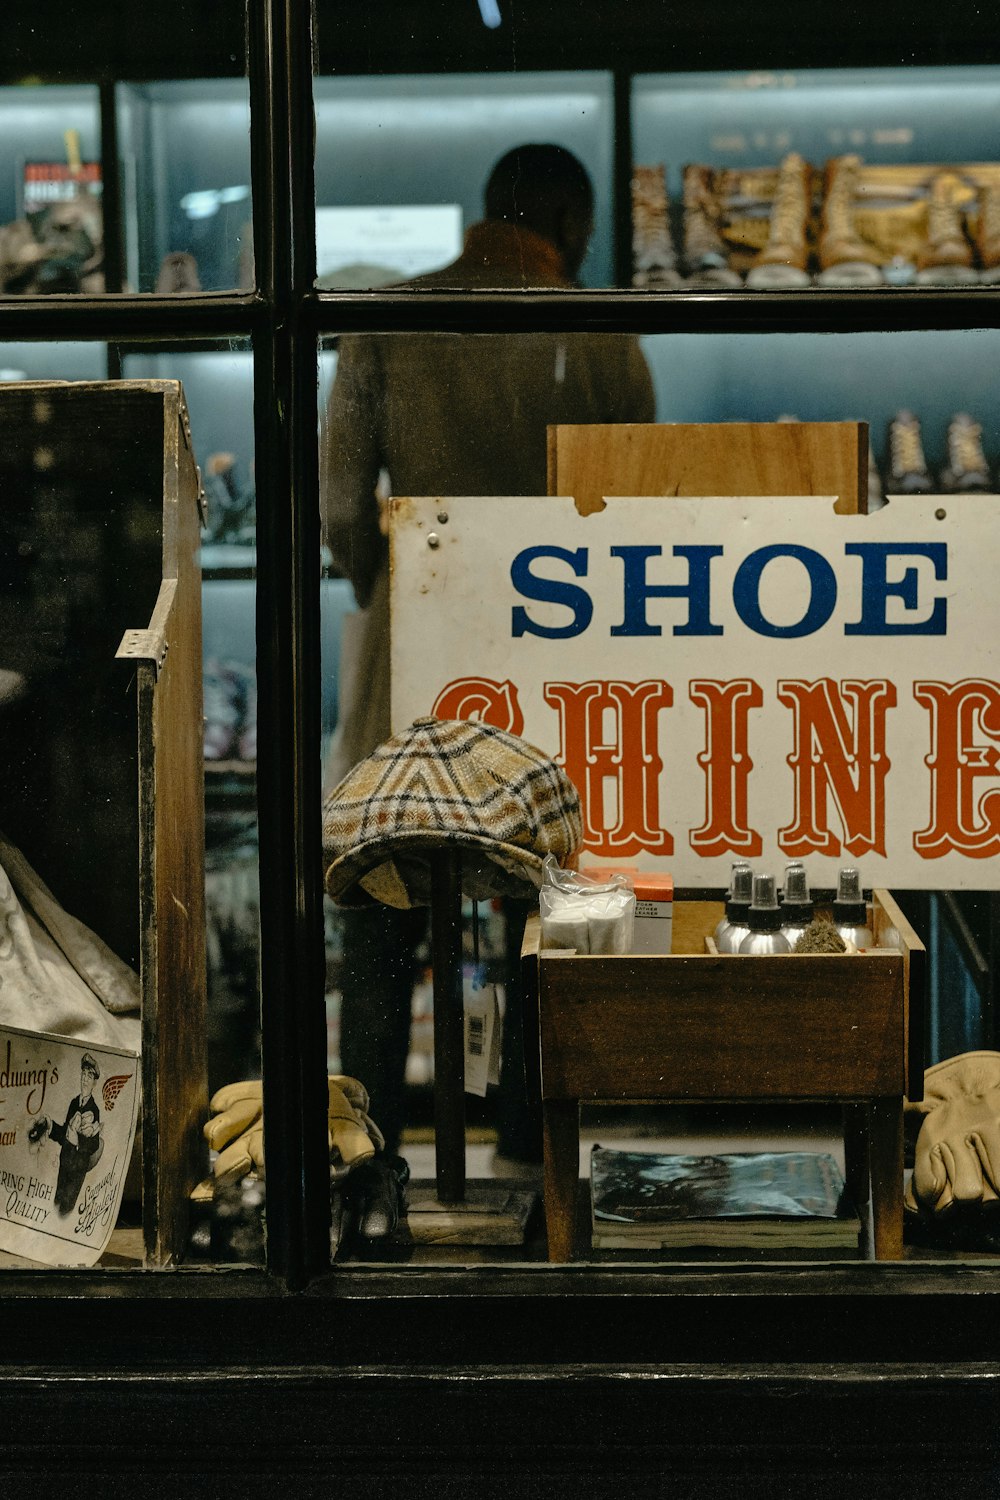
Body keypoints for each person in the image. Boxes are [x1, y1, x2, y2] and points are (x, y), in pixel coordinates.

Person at [321, 143, 655, 1166]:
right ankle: (531, 1149)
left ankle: (359, 1150)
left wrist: (391, 594)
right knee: (540, 909)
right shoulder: (602, 335)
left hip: (412, 669)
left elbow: (339, 503)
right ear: (573, 227)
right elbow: (637, 513)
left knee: (382, 913)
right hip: (557, 669)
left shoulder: (388, 325)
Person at [35, 1052, 105, 1216]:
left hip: (77, 1168)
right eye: (83, 1073)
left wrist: (78, 1143)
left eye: (89, 1075)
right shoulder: (74, 1103)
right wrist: (50, 1127)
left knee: (65, 1210)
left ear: (94, 1082)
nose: (85, 1079)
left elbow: (94, 1144)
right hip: (65, 1161)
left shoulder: (94, 1110)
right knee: (57, 1203)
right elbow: (65, 1134)